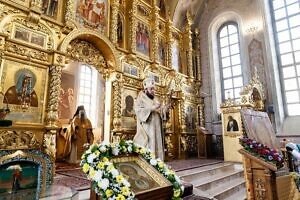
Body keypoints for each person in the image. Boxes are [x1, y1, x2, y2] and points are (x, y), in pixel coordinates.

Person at [133, 78, 170, 160]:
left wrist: (165, 109)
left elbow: (160, 112)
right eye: (151, 89)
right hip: (147, 129)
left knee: (157, 146)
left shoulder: (155, 99)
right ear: (146, 89)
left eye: (154, 89)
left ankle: (158, 164)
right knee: (150, 146)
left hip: (157, 129)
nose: (153, 91)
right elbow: (138, 111)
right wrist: (152, 108)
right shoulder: (140, 98)